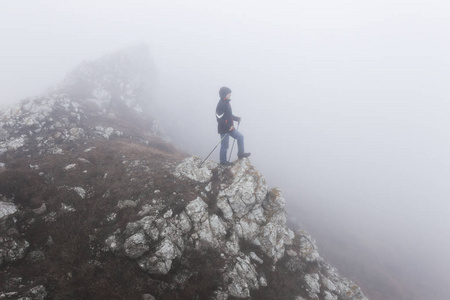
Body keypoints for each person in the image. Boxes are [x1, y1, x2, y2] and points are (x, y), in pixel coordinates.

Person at [216, 86, 251, 166]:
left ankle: (240, 154)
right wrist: (228, 127)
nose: (230, 95)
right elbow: (219, 118)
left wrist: (236, 118)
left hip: (230, 128)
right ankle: (223, 161)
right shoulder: (221, 104)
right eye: (229, 93)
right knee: (225, 146)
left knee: (240, 137)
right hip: (224, 129)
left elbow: (229, 115)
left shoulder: (226, 103)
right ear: (224, 94)